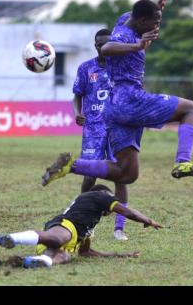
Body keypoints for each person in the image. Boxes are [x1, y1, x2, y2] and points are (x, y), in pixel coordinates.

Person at [41, 0, 193, 189]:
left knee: (127, 174)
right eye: (154, 22)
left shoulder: (124, 19)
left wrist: (157, 9)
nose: (156, 27)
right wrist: (138, 45)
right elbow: (107, 48)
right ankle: (183, 161)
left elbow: (139, 14)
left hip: (114, 108)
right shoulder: (124, 37)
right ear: (141, 21)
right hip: (131, 100)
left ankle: (71, 165)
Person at [0, 184, 162, 268]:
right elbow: (127, 212)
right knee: (59, 238)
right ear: (104, 195)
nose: (112, 204)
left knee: (64, 256)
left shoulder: (90, 222)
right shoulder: (98, 196)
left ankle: (36, 262)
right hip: (64, 226)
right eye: (111, 199)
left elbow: (86, 252)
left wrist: (123, 255)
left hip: (64, 241)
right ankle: (11, 238)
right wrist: (148, 221)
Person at [73, 28, 129, 241]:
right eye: (99, 44)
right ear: (95, 45)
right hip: (93, 129)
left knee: (120, 176)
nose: (103, 48)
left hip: (118, 128)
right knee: (89, 175)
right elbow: (76, 96)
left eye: (106, 43)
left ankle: (119, 228)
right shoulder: (85, 68)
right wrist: (77, 112)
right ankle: (80, 219)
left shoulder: (123, 68)